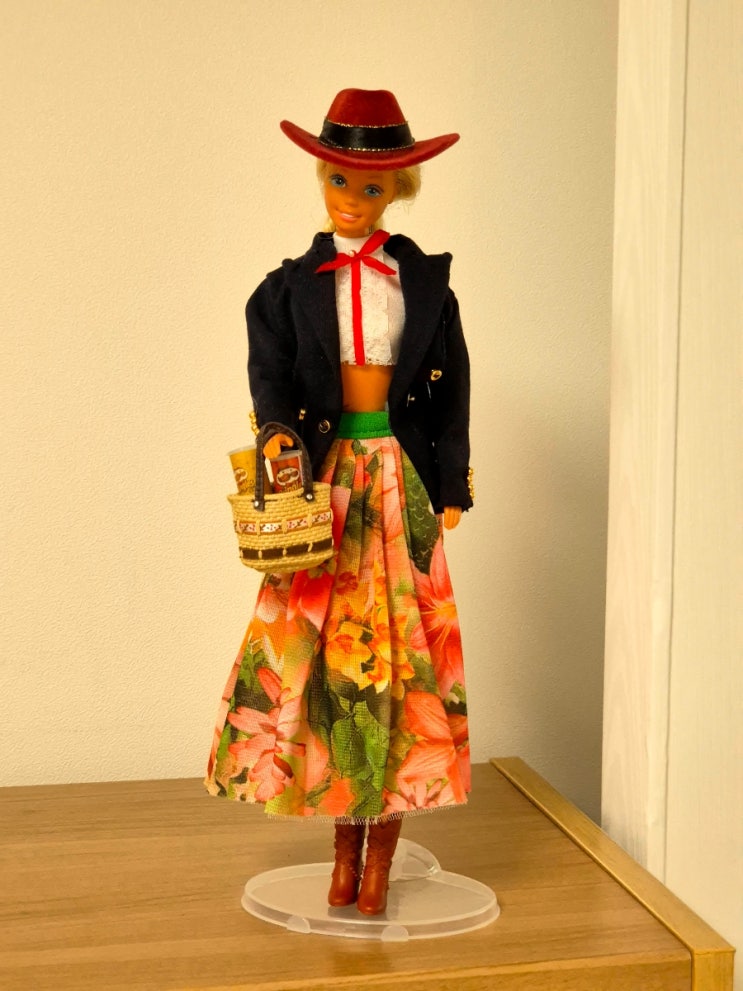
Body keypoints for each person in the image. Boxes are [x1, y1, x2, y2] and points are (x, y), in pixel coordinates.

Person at [205, 89, 474, 916]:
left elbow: (453, 390)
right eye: (337, 181)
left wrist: (451, 481)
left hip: (399, 481)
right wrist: (279, 438)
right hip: (324, 488)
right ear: (320, 179)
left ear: (396, 189)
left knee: (403, 662)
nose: (351, 199)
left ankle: (379, 856)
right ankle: (338, 850)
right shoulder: (285, 290)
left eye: (370, 186)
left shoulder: (423, 283)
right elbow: (269, 378)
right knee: (320, 654)